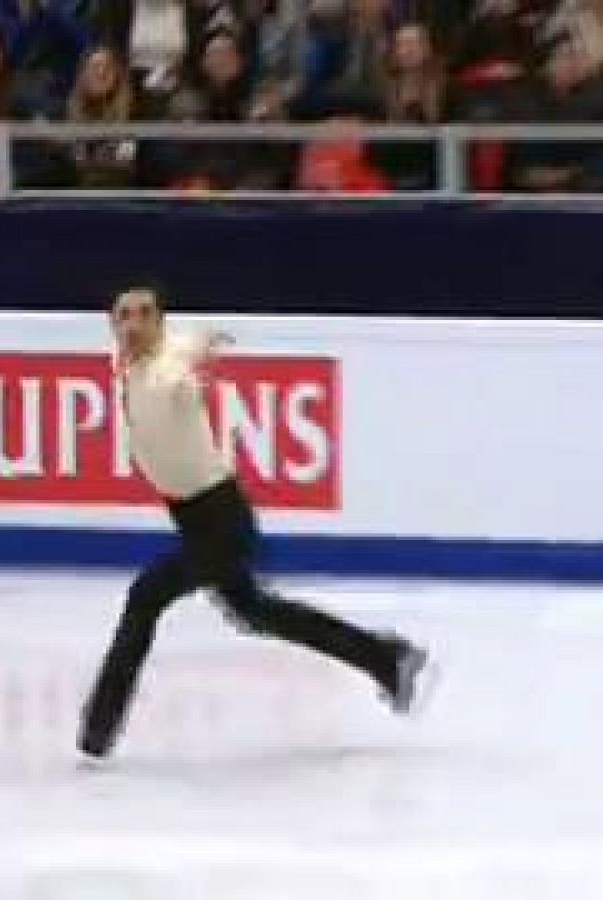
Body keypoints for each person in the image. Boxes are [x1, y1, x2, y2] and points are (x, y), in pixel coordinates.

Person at [79, 288, 429, 760]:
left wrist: (199, 349)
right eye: (124, 316)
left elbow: (184, 359)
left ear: (160, 323)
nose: (134, 324)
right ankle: (388, 659)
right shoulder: (128, 371)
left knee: (147, 596)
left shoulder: (168, 368)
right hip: (194, 520)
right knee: (257, 612)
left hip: (221, 520)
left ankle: (97, 732)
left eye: (145, 315)